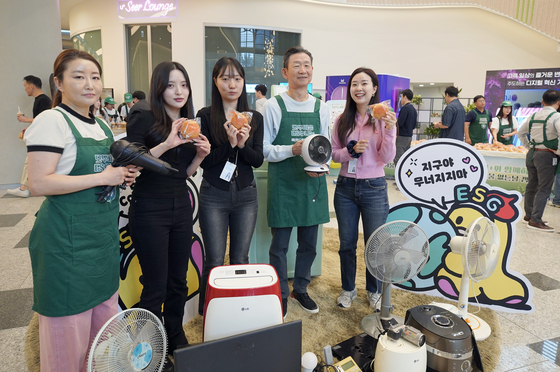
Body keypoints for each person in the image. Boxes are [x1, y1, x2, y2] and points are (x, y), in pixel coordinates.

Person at [24, 49, 136, 372]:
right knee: (66, 344)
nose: (90, 84)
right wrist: (104, 176)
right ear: (58, 82)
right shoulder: (52, 120)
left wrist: (121, 176)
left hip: (100, 242)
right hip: (65, 244)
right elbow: (39, 183)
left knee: (103, 337)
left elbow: (104, 175)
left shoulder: (100, 125)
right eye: (78, 76)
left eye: (95, 77)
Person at [126, 61, 210, 370]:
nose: (179, 91)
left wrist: (199, 156)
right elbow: (132, 162)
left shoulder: (190, 123)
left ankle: (174, 334)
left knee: (179, 281)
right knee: (155, 286)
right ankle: (147, 349)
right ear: (159, 87)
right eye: (172, 84)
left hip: (180, 206)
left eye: (184, 85)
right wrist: (167, 143)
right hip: (149, 208)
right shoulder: (144, 117)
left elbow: (182, 174)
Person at [263, 46, 330, 316]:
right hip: (284, 185)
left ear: (312, 71)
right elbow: (265, 149)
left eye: (307, 65)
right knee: (279, 246)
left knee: (309, 244)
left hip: (311, 184)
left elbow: (324, 148)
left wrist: (321, 166)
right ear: (285, 72)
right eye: (296, 65)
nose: (302, 70)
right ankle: (280, 294)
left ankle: (300, 288)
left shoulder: (320, 107)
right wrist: (291, 149)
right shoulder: (273, 105)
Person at [196, 57, 264, 314]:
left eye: (237, 78)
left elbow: (257, 160)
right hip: (214, 194)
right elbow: (205, 162)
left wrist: (242, 145)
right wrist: (228, 143)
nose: (232, 84)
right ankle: (209, 311)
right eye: (225, 78)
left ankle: (238, 308)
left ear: (243, 81)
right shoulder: (205, 115)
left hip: (247, 195)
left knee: (240, 259)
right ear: (216, 81)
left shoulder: (254, 117)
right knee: (214, 259)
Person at [331, 67, 397, 309]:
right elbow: (334, 154)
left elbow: (386, 157)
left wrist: (389, 131)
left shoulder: (384, 118)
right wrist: (350, 151)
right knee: (346, 243)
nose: (359, 88)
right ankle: (348, 289)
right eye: (354, 84)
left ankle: (374, 290)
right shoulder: (341, 120)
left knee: (375, 243)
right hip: (345, 187)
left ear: (374, 89)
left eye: (364, 84)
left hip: (374, 187)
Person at [517, 89, 560, 232]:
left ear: (543, 102)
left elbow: (520, 133)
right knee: (545, 187)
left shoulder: (533, 115)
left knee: (532, 185)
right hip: (546, 156)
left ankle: (529, 216)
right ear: (558, 103)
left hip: (532, 154)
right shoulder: (556, 117)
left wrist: (529, 146)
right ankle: (536, 220)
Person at [8, 75, 52, 198]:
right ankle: (25, 187)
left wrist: (26, 119)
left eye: (25, 86)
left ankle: (25, 188)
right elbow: (40, 120)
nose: (25, 89)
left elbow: (45, 119)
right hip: (41, 137)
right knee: (32, 161)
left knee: (32, 161)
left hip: (43, 138)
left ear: (31, 86)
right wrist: (29, 127)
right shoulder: (41, 100)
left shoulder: (43, 100)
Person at [394, 88, 417, 166]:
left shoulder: (404, 109)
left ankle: (398, 174)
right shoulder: (413, 109)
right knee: (405, 157)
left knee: (398, 157)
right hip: (409, 136)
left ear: (405, 97)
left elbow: (400, 123)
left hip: (402, 136)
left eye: (401, 97)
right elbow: (414, 125)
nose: (400, 99)